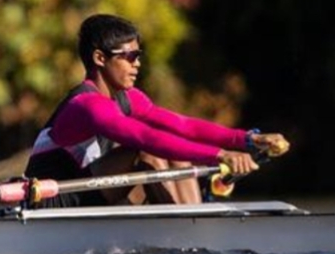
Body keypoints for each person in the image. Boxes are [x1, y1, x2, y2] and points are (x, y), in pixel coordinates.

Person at [24, 14, 289, 207]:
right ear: (100, 58)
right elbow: (146, 139)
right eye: (129, 56)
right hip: (52, 201)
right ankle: (191, 230)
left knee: (169, 151)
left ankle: (194, 218)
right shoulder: (86, 105)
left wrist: (247, 139)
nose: (137, 64)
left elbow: (184, 126)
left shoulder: (129, 99)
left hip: (91, 191)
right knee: (148, 149)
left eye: (140, 55)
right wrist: (220, 156)